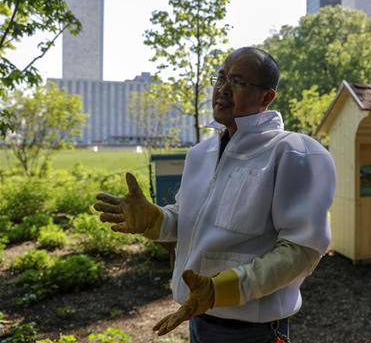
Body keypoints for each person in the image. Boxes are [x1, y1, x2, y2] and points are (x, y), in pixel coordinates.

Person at [93, 47, 336, 343]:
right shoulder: (201, 153)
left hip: (254, 332)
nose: (222, 89)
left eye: (237, 81)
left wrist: (223, 289)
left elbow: (302, 250)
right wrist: (154, 220)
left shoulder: (295, 152)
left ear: (267, 97)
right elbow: (187, 220)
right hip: (197, 316)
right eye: (220, 78)